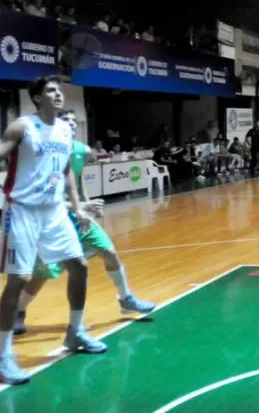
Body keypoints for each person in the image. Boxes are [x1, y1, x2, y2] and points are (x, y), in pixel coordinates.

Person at [0, 76, 106, 385]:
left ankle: (75, 333)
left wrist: (78, 207)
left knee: (79, 266)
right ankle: (2, 359)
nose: (58, 94)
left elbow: (67, 170)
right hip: (22, 211)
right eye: (51, 91)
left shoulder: (65, 129)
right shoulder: (22, 127)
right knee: (18, 280)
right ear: (37, 98)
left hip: (54, 211)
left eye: (59, 90)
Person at [14, 109, 156, 336]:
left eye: (73, 120)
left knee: (108, 251)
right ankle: (18, 312)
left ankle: (125, 298)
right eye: (65, 120)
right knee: (43, 275)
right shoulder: (46, 153)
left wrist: (87, 206)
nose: (71, 123)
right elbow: (45, 199)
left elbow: (77, 183)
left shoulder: (80, 150)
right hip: (51, 219)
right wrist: (80, 207)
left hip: (78, 215)